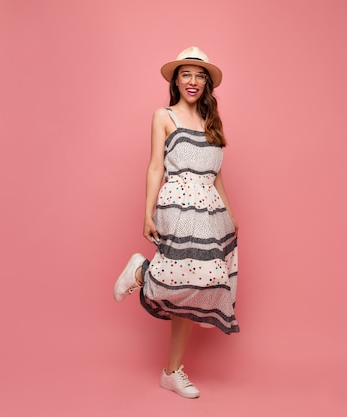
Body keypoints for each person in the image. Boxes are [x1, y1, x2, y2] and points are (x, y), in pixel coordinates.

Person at [113, 46, 239, 399]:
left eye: (200, 75)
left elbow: (216, 176)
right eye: (186, 74)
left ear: (207, 84)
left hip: (210, 208)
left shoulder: (212, 121)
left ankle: (171, 372)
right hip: (177, 201)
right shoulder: (164, 116)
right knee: (185, 274)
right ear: (176, 80)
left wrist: (230, 215)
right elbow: (156, 165)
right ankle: (141, 273)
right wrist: (147, 212)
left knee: (195, 290)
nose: (193, 81)